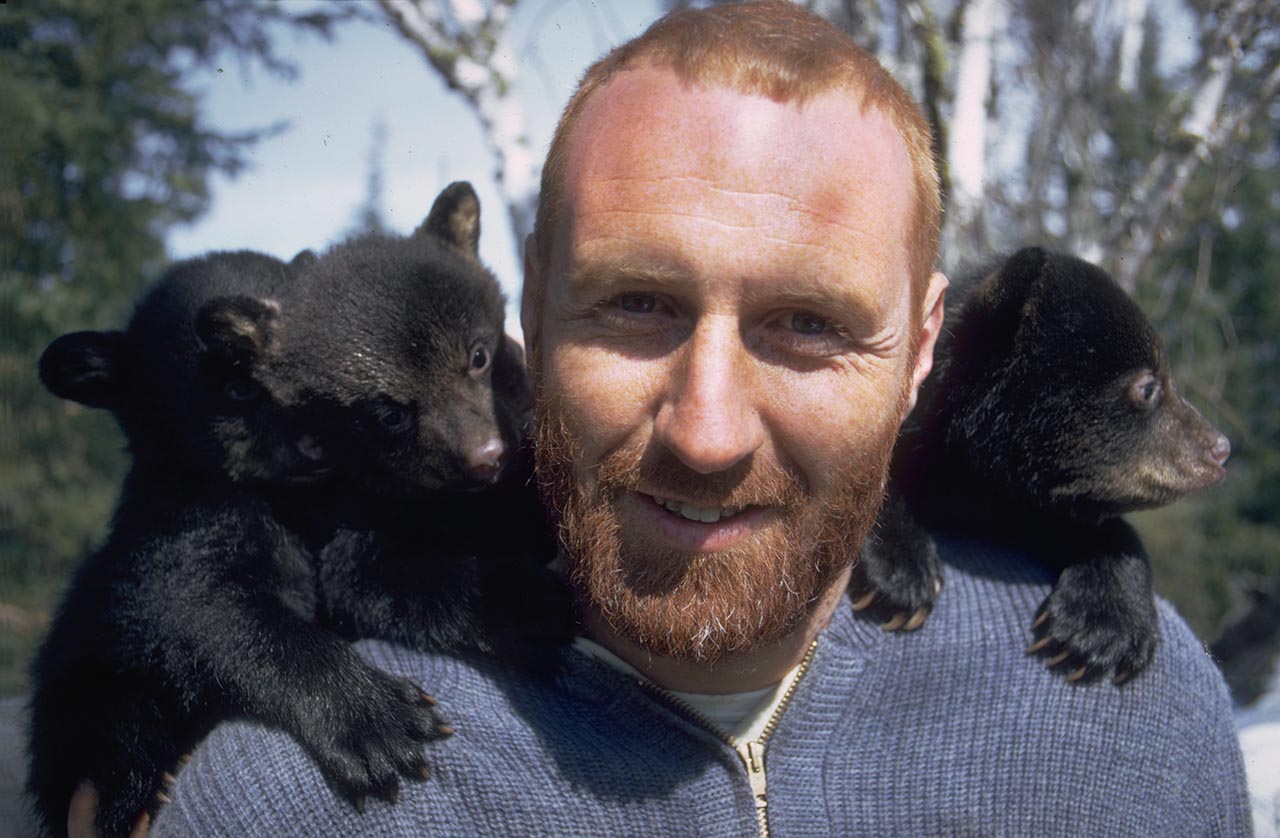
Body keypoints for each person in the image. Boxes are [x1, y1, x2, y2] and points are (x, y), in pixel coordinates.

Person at [84, 2, 1247, 835]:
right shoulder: (285, 799)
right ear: (530, 305)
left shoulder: (1138, 727)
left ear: (922, 350)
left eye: (807, 324)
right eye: (636, 307)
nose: (706, 430)